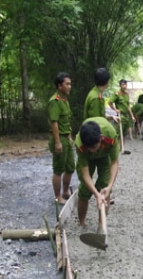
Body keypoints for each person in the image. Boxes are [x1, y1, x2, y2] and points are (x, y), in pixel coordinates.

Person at [74, 117, 120, 228]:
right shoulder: (80, 143)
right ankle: (81, 224)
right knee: (85, 190)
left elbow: (114, 163)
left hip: (104, 156)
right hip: (86, 159)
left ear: (101, 138)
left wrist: (109, 186)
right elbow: (85, 173)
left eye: (94, 147)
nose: (92, 150)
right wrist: (96, 194)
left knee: (104, 188)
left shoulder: (110, 135)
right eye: (89, 148)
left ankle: (101, 226)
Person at [47, 72, 74, 205]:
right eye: (67, 84)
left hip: (66, 137)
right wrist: (58, 142)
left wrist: (69, 137)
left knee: (70, 167)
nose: (70, 86)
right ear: (59, 86)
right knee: (58, 169)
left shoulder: (64, 100)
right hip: (59, 138)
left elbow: (66, 122)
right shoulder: (55, 101)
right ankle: (57, 196)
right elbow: (54, 123)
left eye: (70, 84)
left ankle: (65, 192)